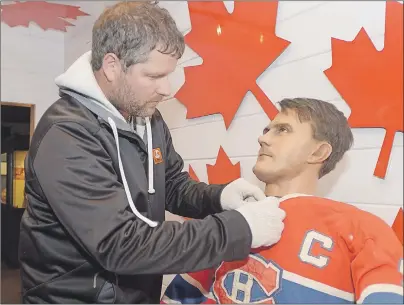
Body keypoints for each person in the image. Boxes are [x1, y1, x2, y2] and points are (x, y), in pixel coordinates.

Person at [18, 2, 287, 304]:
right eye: (154, 76)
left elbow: (170, 184)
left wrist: (219, 197)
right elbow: (120, 245)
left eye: (169, 74)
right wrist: (241, 229)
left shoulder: (147, 117)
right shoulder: (67, 135)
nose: (167, 89)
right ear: (111, 66)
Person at [162, 98, 404, 304]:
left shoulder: (361, 230)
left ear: (318, 153)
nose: (263, 139)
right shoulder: (229, 224)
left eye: (283, 130)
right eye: (267, 130)